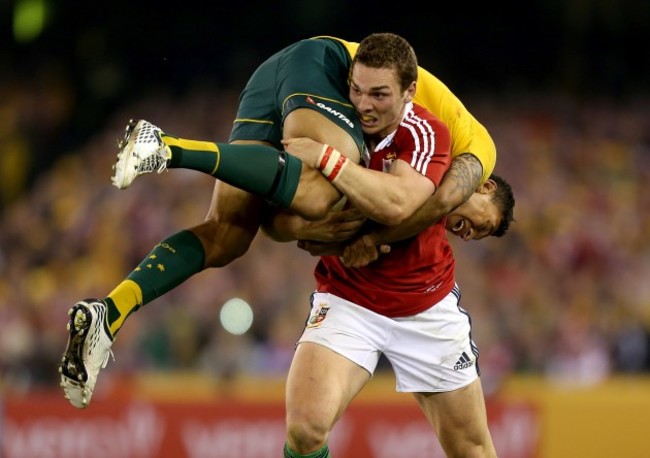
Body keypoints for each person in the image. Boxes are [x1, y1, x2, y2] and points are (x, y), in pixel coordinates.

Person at [58, 34, 511, 456]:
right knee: (305, 426)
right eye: (481, 223)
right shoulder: (449, 140)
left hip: (425, 309)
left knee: (227, 234)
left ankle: (110, 310)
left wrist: (318, 232)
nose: (466, 229)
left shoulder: (394, 128)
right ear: (486, 185)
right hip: (350, 298)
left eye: (375, 96)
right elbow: (409, 203)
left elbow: (277, 226)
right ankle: (168, 148)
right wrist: (330, 176)